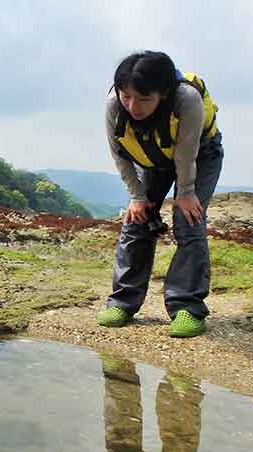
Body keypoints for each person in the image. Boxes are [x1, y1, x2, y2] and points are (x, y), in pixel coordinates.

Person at [96, 51, 223, 338]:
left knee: (188, 219)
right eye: (127, 96)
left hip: (198, 156)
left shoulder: (186, 100)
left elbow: (187, 154)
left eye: (143, 99)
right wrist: (137, 196)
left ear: (163, 94)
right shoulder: (115, 104)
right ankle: (122, 302)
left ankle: (187, 308)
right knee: (136, 220)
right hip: (154, 158)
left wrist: (187, 192)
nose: (133, 106)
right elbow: (119, 155)